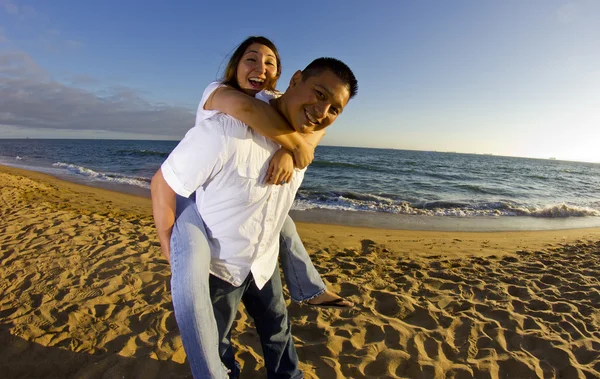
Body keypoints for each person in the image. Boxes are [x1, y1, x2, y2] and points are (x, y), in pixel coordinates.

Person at [151, 56, 358, 378]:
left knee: (278, 329)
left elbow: (312, 132)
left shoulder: (301, 142)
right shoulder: (224, 131)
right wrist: (171, 250)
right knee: (218, 341)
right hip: (221, 265)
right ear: (295, 80)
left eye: (335, 109)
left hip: (263, 260)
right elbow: (163, 184)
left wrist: (289, 148)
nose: (322, 113)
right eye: (319, 94)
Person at [169, 36, 353, 308]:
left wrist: (290, 151)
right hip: (203, 193)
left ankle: (311, 289)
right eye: (251, 59)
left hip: (238, 202)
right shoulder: (218, 91)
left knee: (283, 225)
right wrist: (294, 145)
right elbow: (247, 110)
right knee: (195, 266)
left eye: (270, 63)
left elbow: (317, 128)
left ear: (279, 75)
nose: (261, 68)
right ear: (236, 64)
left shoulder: (274, 100)